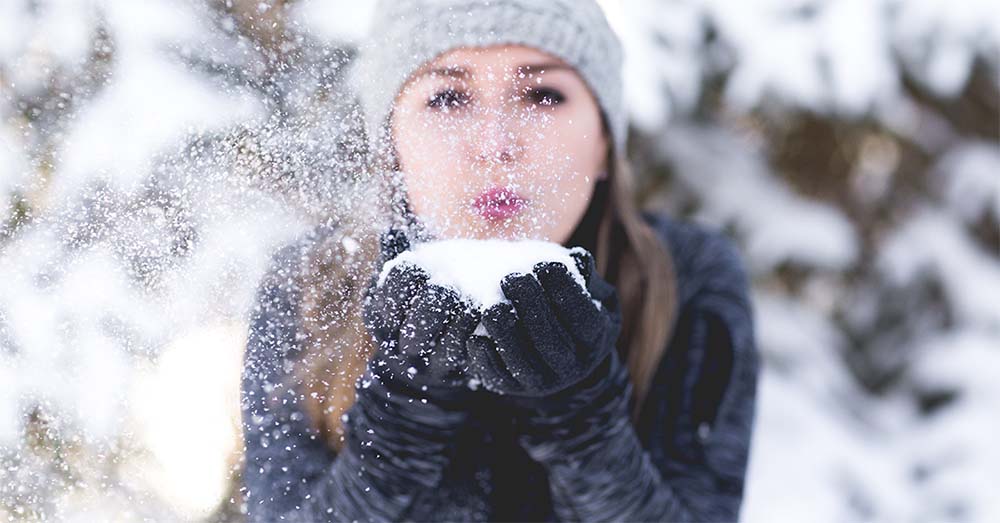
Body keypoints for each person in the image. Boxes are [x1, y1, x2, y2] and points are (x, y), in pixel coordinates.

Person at [240, 0, 760, 521]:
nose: (495, 144)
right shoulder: (311, 285)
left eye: (542, 94)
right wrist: (402, 417)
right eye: (447, 97)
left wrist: (583, 420)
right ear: (392, 141)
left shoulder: (684, 281)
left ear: (604, 141)